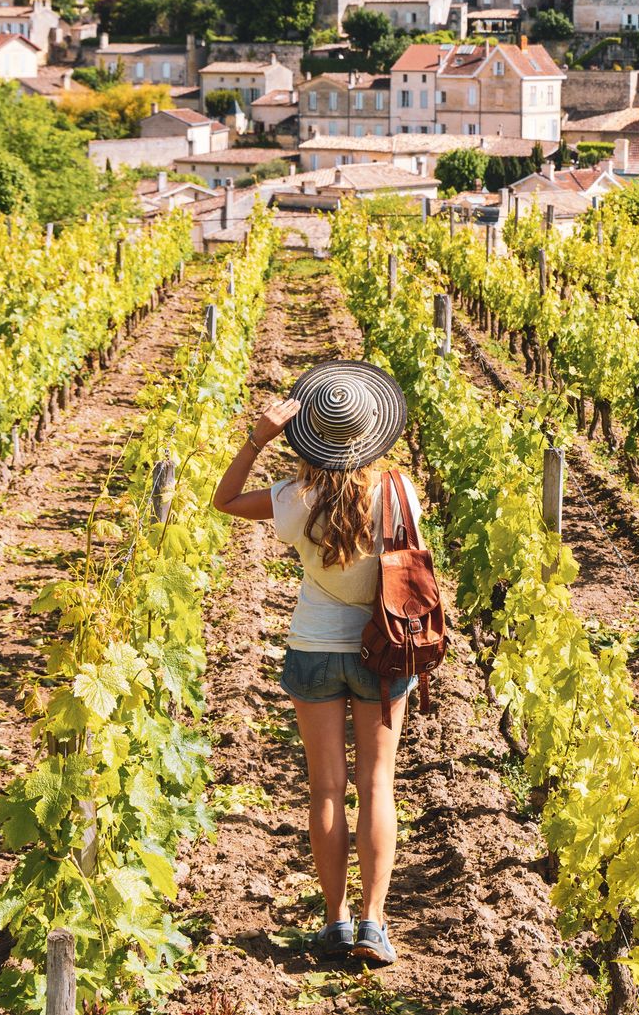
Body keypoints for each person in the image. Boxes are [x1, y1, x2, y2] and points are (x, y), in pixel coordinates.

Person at [212, 359, 419, 966]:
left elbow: (223, 500)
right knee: (377, 784)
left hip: (312, 649)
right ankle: (374, 924)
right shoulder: (397, 491)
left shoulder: (292, 497)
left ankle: (333, 921)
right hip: (382, 651)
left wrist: (258, 436)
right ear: (371, 433)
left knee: (325, 788)